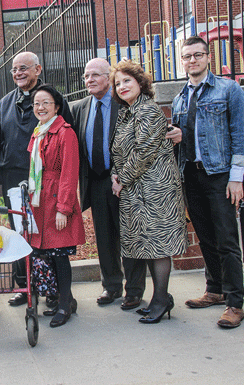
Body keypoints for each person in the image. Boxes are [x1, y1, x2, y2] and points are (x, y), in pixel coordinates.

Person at [172, 36, 244, 328]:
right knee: (205, 236)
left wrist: (236, 178)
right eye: (187, 56)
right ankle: (215, 289)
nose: (192, 60)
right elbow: (185, 137)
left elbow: (241, 135)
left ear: (208, 58)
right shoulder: (181, 97)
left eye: (197, 55)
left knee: (227, 240)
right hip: (191, 175)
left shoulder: (228, 90)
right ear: (181, 61)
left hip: (219, 175)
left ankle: (234, 302)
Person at [0, 51, 74, 308]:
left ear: (38, 69)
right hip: (14, 180)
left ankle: (54, 291)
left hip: (44, 183)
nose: (18, 73)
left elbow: (66, 142)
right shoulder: (5, 103)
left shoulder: (53, 100)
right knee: (20, 236)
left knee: (46, 238)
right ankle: (26, 287)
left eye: (24, 68)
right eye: (14, 69)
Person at [110, 60, 187, 324]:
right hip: (136, 191)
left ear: (141, 83)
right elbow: (119, 151)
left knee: (158, 246)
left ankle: (161, 298)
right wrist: (115, 175)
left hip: (156, 191)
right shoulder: (127, 113)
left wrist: (122, 180)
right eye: (118, 83)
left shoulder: (147, 111)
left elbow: (145, 151)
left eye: (126, 81)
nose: (122, 86)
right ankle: (160, 298)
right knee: (148, 245)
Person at [71, 58, 147, 309]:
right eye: (86, 76)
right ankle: (111, 286)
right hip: (95, 181)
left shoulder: (124, 103)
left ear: (109, 77)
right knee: (104, 237)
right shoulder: (80, 108)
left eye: (95, 75)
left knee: (129, 236)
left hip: (124, 181)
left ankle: (134, 290)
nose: (89, 80)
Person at [27, 84, 85, 327]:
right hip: (39, 202)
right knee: (45, 255)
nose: (40, 107)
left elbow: (69, 174)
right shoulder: (38, 132)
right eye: (37, 104)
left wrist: (64, 208)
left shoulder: (65, 132)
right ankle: (65, 299)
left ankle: (64, 305)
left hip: (57, 201)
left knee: (60, 256)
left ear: (57, 107)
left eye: (46, 103)